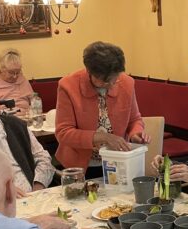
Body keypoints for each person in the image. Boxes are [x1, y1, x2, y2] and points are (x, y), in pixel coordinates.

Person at [55, 41, 148, 176]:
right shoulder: (68, 86)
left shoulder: (127, 83)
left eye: (114, 79)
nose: (111, 84)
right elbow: (63, 132)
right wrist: (103, 137)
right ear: (89, 71)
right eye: (105, 81)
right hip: (81, 166)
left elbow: (134, 119)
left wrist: (136, 133)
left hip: (117, 161)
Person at [0, 48, 34, 113]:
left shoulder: (23, 80)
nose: (15, 76)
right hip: (3, 118)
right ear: (2, 69)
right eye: (11, 72)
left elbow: (34, 102)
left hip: (25, 116)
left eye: (18, 72)